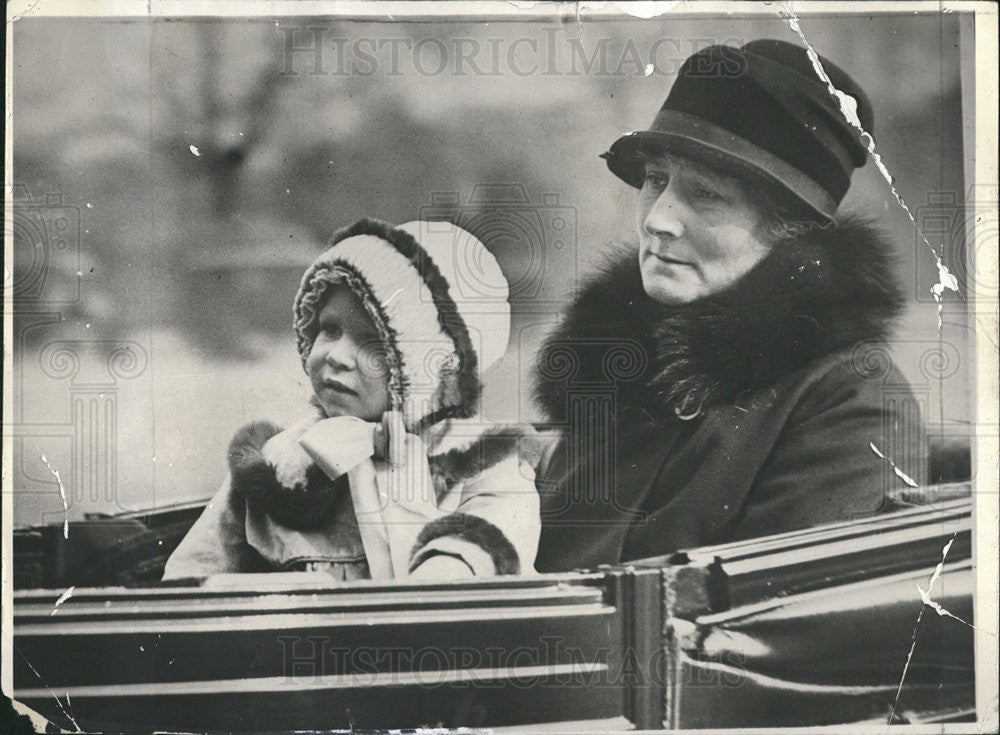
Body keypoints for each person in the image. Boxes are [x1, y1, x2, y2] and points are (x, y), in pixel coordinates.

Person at [532, 40, 926, 572]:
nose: (658, 219)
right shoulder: (612, 373)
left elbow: (782, 627)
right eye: (655, 180)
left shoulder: (851, 402)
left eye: (708, 195)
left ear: (791, 231)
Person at [164, 218, 539, 581]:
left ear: (433, 366)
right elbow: (194, 571)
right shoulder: (277, 462)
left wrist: (442, 572)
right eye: (329, 329)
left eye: (372, 342)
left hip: (430, 639)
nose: (336, 356)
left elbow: (474, 554)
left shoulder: (486, 462)